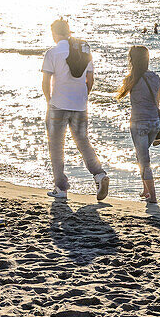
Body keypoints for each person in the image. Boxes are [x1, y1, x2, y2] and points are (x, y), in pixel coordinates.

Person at [41, 18, 109, 201]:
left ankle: (61, 188)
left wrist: (49, 101)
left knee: (56, 146)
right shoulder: (83, 51)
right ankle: (99, 175)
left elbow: (45, 82)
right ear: (68, 31)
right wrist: (83, 97)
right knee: (83, 142)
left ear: (55, 33)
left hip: (58, 106)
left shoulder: (52, 53)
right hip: (80, 107)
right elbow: (90, 80)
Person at [116, 45, 160, 204]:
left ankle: (153, 197)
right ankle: (145, 189)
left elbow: (120, 95)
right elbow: (157, 102)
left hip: (139, 124)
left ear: (132, 60)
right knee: (140, 156)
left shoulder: (130, 79)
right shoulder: (155, 77)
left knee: (144, 161)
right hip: (155, 123)